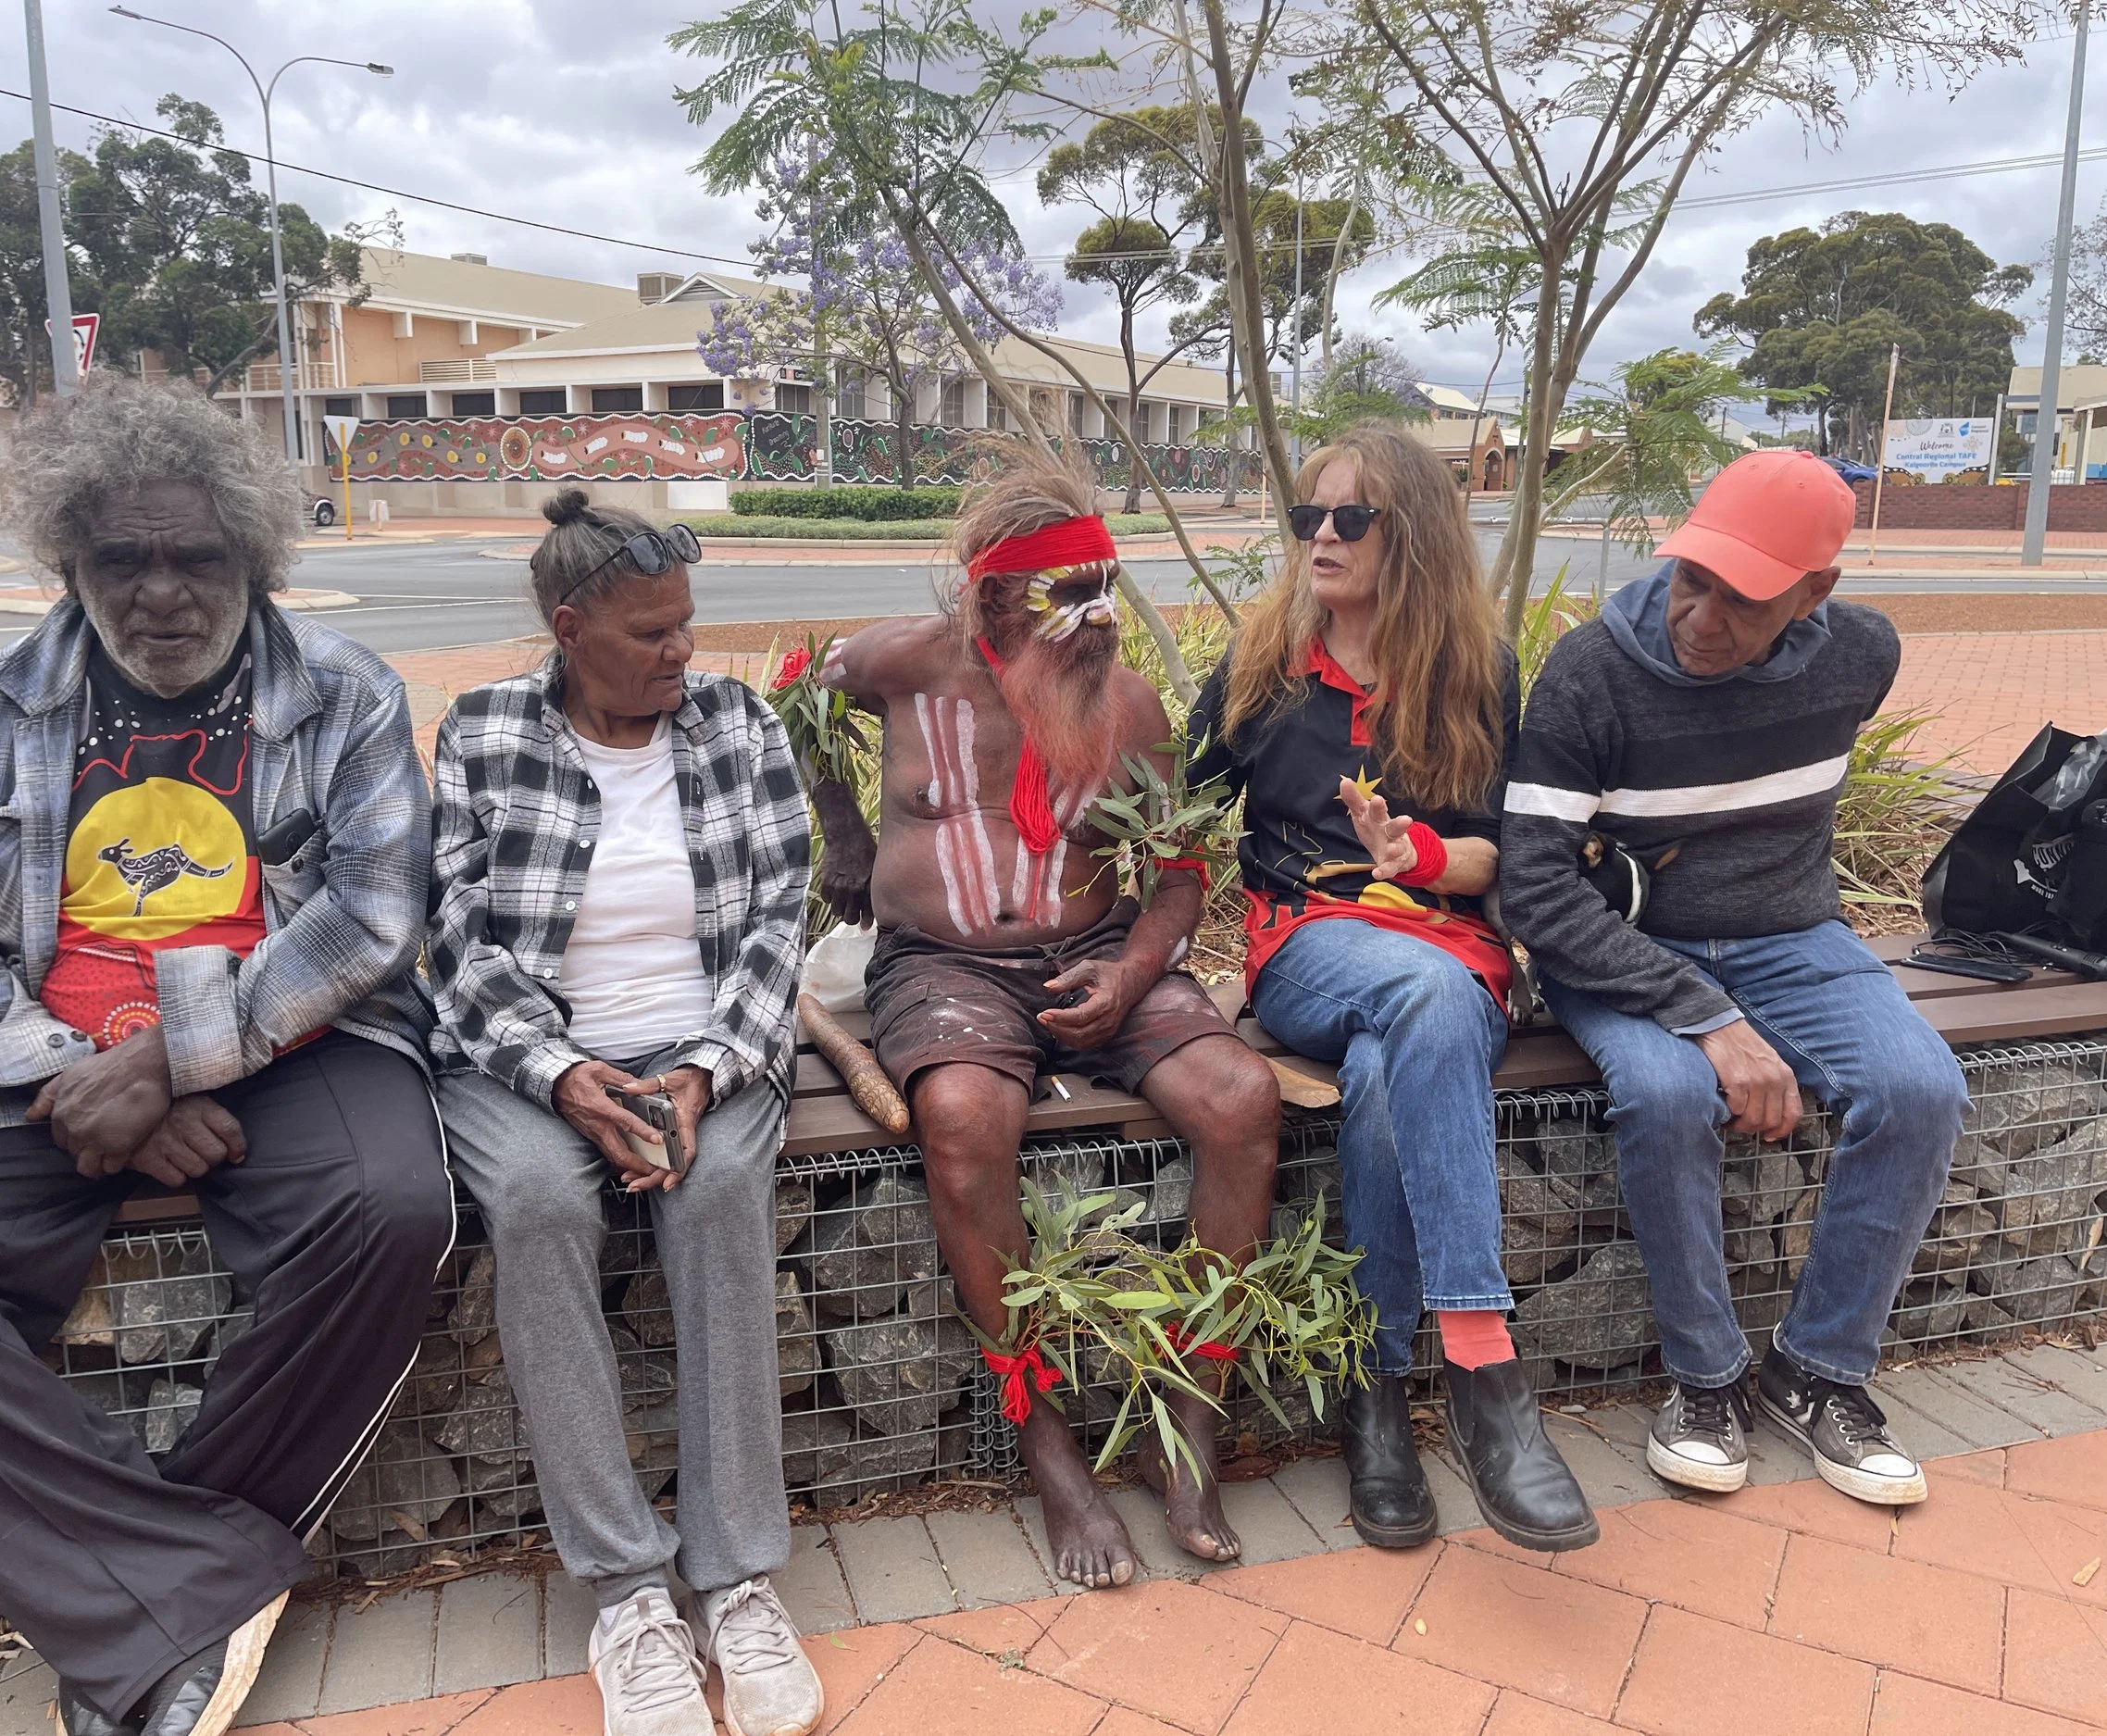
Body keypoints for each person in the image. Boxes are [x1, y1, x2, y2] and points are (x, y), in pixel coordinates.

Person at [0, 379, 454, 1736]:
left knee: (398, 1210)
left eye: (196, 557)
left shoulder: (343, 693)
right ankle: (192, 1588)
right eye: (121, 560)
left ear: (253, 559)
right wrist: (66, 1074)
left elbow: (377, 915)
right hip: (53, 1046)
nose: (161, 592)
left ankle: (147, 1598)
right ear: (69, 561)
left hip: (294, 1027)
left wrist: (173, 1061)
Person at [811, 441, 1280, 1589]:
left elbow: (1177, 876)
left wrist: (1127, 975)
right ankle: (1046, 1442)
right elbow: (794, 704)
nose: (1088, 633)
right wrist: (847, 837)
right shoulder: (899, 665)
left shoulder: (1125, 703)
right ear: (987, 599)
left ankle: (1190, 1416)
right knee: (964, 1116)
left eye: (1099, 606)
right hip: (941, 968)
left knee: (1242, 1096)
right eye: (1058, 611)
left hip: (1096, 956)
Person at [426, 489, 824, 1736]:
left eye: (687, 626)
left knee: (713, 1189)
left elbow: (780, 914)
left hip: (706, 1039)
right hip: (520, 1051)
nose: (681, 651)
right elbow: (451, 933)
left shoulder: (737, 724)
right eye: (651, 632)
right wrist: (556, 1072)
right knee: (540, 1198)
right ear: (568, 626)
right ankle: (627, 1594)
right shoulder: (485, 731)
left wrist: (706, 1064)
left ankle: (741, 1575)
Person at [1501, 448, 1964, 1506]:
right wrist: (1704, 1016)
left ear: (1815, 594)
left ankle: (1817, 1373)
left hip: (1794, 937)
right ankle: (1704, 1380)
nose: (1697, 617)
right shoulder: (1589, 674)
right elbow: (1535, 893)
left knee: (1921, 1090)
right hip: (1622, 949)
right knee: (1665, 1095)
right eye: (1689, 578)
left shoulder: (1860, 657)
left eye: (1740, 598)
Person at [1185, 424, 1598, 1553]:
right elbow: (1169, 816)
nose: (1319, 535)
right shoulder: (1260, 672)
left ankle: (1374, 1401)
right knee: (1413, 1006)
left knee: (1384, 1074)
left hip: (1449, 950)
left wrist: (1415, 857)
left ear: (1407, 536)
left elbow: (1508, 860)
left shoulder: (1479, 676)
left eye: (1349, 518)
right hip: (1305, 943)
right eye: (1307, 516)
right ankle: (1479, 1358)